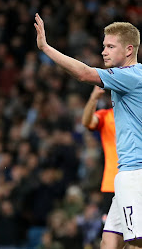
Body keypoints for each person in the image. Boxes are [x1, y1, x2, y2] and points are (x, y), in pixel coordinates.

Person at [34, 13, 141, 249]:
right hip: (125, 175)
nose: (104, 51)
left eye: (111, 46)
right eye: (104, 46)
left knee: (135, 243)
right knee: (108, 241)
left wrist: (46, 48)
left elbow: (83, 73)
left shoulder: (131, 76)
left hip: (136, 174)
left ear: (129, 50)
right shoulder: (130, 78)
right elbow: (88, 121)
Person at [82, 85, 124, 248]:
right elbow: (87, 122)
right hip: (111, 184)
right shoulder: (107, 116)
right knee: (109, 236)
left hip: (135, 181)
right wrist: (93, 98)